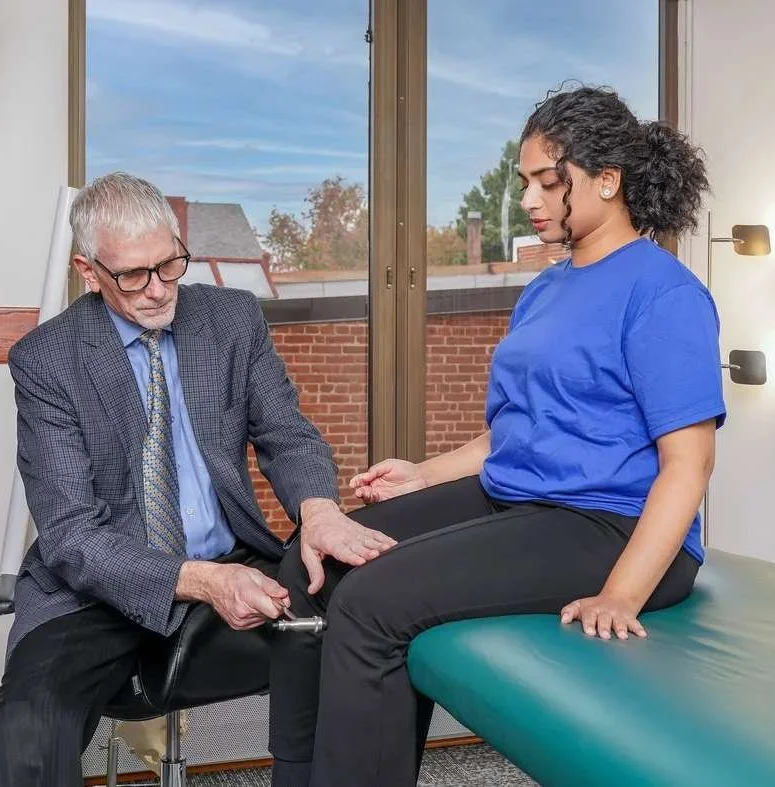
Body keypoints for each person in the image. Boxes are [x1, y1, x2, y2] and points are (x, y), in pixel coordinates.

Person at [268, 84, 725, 787]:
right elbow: (506, 436)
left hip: (610, 524)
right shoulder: (545, 288)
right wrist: (421, 474)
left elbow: (687, 466)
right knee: (310, 559)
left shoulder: (663, 292)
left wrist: (622, 594)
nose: (532, 200)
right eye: (527, 184)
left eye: (551, 182)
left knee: (370, 603)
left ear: (608, 181)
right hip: (517, 499)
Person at [0, 172, 395, 787]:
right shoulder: (47, 359)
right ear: (87, 270)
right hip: (95, 593)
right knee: (27, 738)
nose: (157, 291)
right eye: (133, 275)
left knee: (364, 627)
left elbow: (286, 434)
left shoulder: (230, 319)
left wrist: (321, 510)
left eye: (169, 264)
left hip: (233, 559)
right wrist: (200, 581)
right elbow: (72, 535)